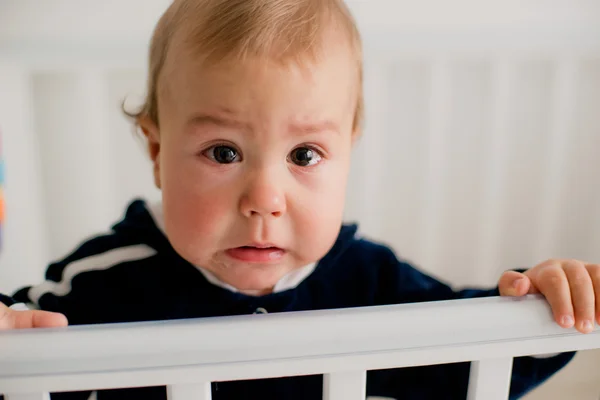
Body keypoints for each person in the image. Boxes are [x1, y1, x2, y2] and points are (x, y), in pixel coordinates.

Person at [1, 0, 598, 399]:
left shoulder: (371, 283)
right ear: (156, 151)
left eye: (304, 156)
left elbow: (476, 357)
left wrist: (543, 301)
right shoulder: (109, 281)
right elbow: (20, 335)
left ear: (349, 151)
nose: (265, 200)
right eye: (224, 153)